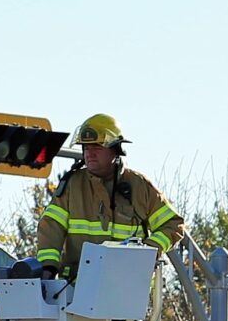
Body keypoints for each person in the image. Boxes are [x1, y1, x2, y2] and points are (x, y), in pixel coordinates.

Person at [32, 113, 186, 278]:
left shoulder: (139, 186)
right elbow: (51, 227)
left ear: (116, 149)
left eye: (97, 147)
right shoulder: (72, 186)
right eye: (86, 147)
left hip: (127, 287)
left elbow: (173, 224)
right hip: (75, 288)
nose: (89, 153)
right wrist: (48, 268)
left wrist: (147, 252)